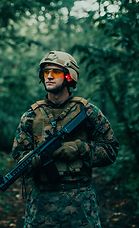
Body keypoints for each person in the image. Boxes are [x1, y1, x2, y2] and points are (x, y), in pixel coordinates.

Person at [11, 51, 119, 228]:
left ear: (69, 75)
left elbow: (111, 150)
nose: (50, 76)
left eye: (56, 72)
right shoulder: (31, 116)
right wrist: (33, 160)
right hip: (41, 205)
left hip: (81, 202)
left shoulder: (88, 112)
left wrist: (80, 148)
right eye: (46, 72)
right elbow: (19, 155)